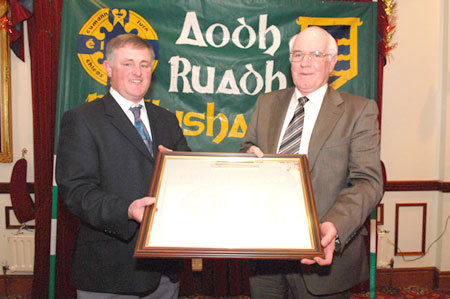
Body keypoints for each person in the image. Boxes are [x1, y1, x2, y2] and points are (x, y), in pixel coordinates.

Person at [240, 26, 383, 298]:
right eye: (298, 54)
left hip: (323, 256)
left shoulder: (359, 111)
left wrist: (334, 227)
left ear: (332, 62)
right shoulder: (267, 103)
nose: (305, 62)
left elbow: (368, 183)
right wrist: (249, 159)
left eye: (316, 54)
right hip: (266, 253)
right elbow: (248, 149)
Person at [56, 33, 190, 298]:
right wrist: (127, 210)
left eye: (144, 64)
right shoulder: (82, 119)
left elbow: (188, 180)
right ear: (107, 68)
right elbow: (77, 192)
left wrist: (181, 171)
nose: (137, 72)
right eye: (127, 63)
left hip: (164, 272)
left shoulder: (166, 120)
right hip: (108, 273)